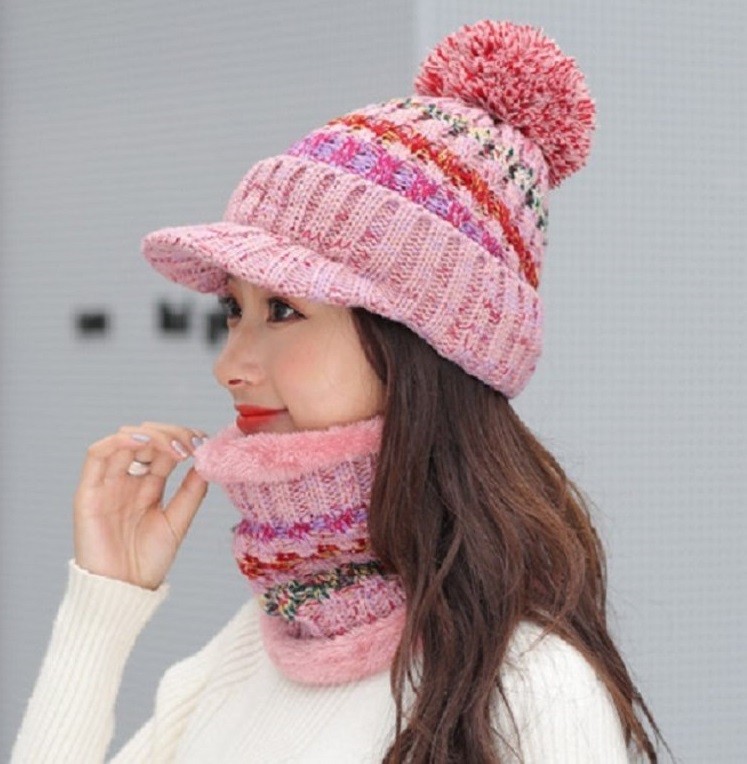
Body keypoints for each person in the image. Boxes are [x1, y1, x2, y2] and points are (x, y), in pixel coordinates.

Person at [12, 18, 671, 763]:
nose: (229, 364)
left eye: (283, 310)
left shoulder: (533, 691)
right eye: (234, 310)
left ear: (418, 345)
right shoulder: (254, 650)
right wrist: (101, 609)